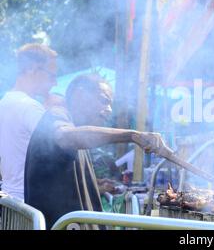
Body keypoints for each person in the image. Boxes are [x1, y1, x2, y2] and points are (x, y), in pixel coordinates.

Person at [24, 74, 169, 229]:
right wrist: (132, 135)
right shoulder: (57, 114)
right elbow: (64, 137)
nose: (109, 109)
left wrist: (97, 184)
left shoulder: (77, 128)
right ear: (79, 95)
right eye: (104, 100)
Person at [0, 43, 58, 200]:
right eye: (52, 76)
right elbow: (57, 150)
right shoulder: (30, 107)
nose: (55, 83)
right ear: (32, 68)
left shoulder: (4, 101)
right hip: (30, 201)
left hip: (10, 200)